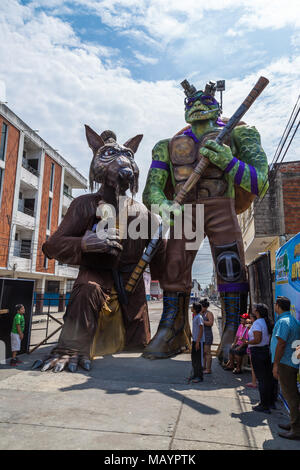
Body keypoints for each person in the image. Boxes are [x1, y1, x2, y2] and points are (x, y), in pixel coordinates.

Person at [271, 296, 300, 440]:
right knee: (292, 395)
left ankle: (296, 429)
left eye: (276, 304)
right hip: (292, 362)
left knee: (291, 396)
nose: (275, 306)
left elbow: (281, 345)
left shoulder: (283, 321)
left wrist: (275, 364)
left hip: (285, 363)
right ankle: (294, 423)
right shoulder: (293, 320)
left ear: (278, 306)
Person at [244, 304, 274, 414]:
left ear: (257, 311)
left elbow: (257, 339)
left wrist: (247, 342)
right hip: (264, 351)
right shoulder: (263, 322)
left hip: (258, 351)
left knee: (262, 379)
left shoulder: (258, 323)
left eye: (255, 308)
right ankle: (268, 402)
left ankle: (264, 405)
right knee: (266, 379)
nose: (253, 309)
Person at [190, 302, 205, 383]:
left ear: (195, 309)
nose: (191, 308)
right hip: (195, 340)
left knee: (199, 359)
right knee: (194, 359)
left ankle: (199, 376)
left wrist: (198, 342)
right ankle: (195, 374)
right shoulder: (195, 316)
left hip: (198, 341)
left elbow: (201, 329)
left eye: (192, 307)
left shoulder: (199, 317)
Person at [200, 298, 214, 374]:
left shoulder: (209, 313)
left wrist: (202, 321)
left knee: (207, 352)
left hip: (207, 335)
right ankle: (204, 367)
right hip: (201, 335)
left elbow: (211, 323)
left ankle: (208, 369)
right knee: (203, 353)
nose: (200, 308)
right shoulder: (200, 313)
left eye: (201, 307)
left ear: (205, 307)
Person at [244, 317, 258, 389]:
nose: (248, 324)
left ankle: (254, 382)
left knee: (254, 366)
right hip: (252, 347)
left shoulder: (256, 326)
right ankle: (254, 381)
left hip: (253, 347)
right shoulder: (256, 325)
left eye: (249, 322)